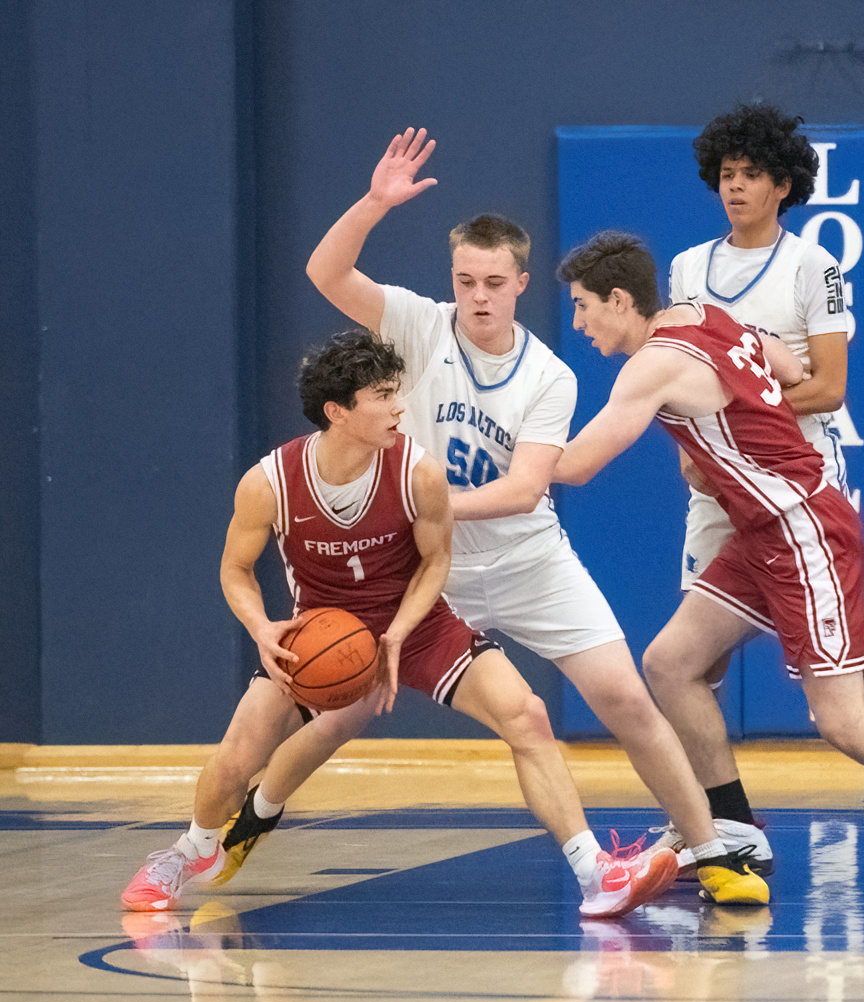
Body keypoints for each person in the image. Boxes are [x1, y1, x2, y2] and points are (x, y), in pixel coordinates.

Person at [210, 129, 769, 908]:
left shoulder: (549, 375)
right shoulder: (414, 323)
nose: (478, 295)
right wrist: (374, 203)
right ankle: (256, 816)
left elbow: (522, 490)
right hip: (427, 569)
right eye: (466, 280)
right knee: (338, 710)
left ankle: (713, 852)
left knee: (626, 699)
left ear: (520, 284)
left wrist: (414, 504)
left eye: (494, 282)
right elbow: (325, 272)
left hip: (527, 560)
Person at [121, 330, 677, 917]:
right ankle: (191, 852)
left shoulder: (418, 472)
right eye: (382, 396)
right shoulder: (269, 483)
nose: (398, 407)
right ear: (338, 412)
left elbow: (436, 561)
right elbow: (235, 570)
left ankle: (597, 874)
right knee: (237, 758)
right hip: (321, 632)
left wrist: (398, 632)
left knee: (527, 715)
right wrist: (261, 627)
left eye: (396, 392)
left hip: (417, 624)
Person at [552, 230, 864, 895]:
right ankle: (733, 828)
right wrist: (744, 427)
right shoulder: (706, 315)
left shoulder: (653, 363)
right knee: (671, 663)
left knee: (841, 719)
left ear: (617, 299)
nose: (579, 323)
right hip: (763, 533)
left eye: (582, 306)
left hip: (803, 531)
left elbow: (578, 465)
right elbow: (784, 364)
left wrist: (499, 461)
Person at [662, 102, 864, 863]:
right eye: (726, 173)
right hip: (719, 486)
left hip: (800, 478)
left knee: (858, 641)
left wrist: (743, 411)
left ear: (783, 185)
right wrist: (699, 444)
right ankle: (710, 816)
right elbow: (677, 373)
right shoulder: (687, 268)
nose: (734, 186)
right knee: (692, 660)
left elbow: (829, 386)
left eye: (751, 174)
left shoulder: (815, 267)